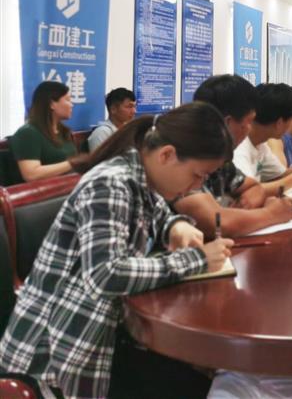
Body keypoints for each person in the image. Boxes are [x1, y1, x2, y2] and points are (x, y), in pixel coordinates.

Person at [0, 103, 235, 399]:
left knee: (199, 378)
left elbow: (158, 214)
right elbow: (106, 273)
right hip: (55, 353)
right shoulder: (111, 183)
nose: (196, 186)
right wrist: (197, 259)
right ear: (166, 155)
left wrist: (176, 226)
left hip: (101, 330)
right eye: (197, 175)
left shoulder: (141, 175)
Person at [176, 74, 290, 239]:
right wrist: (272, 214)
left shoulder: (220, 158)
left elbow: (254, 186)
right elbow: (216, 223)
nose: (250, 129)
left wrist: (249, 199)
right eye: (249, 122)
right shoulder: (184, 155)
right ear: (227, 122)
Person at [233, 83, 292, 194]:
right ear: (279, 123)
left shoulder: (260, 145)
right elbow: (249, 192)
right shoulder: (239, 149)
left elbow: (281, 174)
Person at [9, 81, 76, 181]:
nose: (72, 105)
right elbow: (31, 174)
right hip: (49, 190)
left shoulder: (63, 131)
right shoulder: (28, 133)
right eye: (67, 100)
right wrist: (73, 163)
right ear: (52, 104)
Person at [88, 87, 137, 151]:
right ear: (113, 109)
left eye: (134, 106)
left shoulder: (129, 130)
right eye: (129, 107)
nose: (134, 111)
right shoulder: (101, 133)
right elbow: (100, 157)